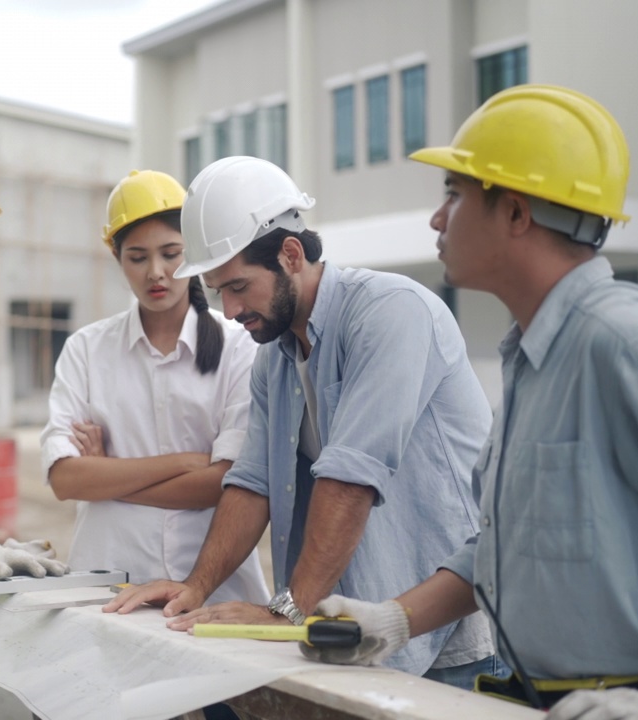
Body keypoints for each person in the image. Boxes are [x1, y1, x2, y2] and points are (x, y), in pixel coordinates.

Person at [302, 84, 638, 718]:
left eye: (455, 194)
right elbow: (504, 551)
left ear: (517, 214)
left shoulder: (631, 346)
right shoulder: (531, 358)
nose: (438, 219)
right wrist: (392, 620)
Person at [107, 156, 501, 688]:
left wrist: (287, 611)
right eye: (219, 290)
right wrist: (193, 587)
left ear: (291, 254)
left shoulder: (391, 313)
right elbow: (252, 483)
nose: (228, 309)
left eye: (239, 286)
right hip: (350, 638)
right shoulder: (276, 356)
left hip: (449, 646)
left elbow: (351, 477)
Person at [41, 169, 268, 606]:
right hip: (107, 585)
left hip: (214, 589)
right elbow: (65, 478)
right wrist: (185, 462)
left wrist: (106, 476)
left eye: (171, 253)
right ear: (118, 259)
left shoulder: (240, 347)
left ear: (194, 253)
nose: (156, 273)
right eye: (138, 257)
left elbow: (226, 484)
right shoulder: (86, 350)